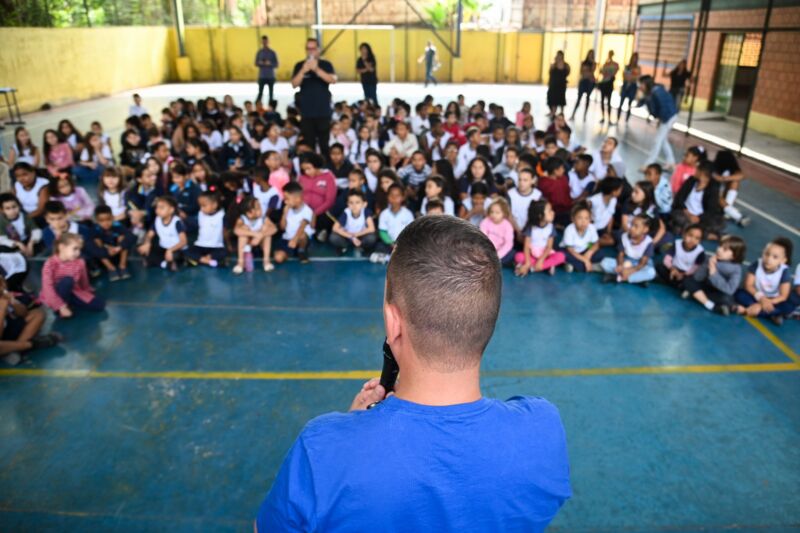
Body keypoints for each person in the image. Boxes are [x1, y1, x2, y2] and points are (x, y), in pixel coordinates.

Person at [256, 215, 570, 531]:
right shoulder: (544, 430)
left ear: (394, 324)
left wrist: (350, 430)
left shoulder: (322, 450)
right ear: (487, 320)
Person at [40, 232, 106, 319]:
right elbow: (48, 287)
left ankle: (69, 302)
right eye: (75, 249)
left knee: (100, 305)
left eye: (79, 249)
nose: (78, 253)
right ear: (62, 247)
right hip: (55, 293)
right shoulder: (50, 264)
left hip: (73, 291)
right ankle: (59, 309)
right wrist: (61, 307)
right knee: (67, 281)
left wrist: (87, 291)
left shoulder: (80, 262)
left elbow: (83, 280)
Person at [0, 273, 59, 367]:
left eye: (2, 284)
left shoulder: (4, 294)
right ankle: (31, 344)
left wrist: (13, 302)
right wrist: (2, 307)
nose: (2, 287)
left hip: (7, 331)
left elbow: (23, 313)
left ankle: (15, 350)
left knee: (38, 314)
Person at [291, 38, 337, 156]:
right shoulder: (299, 65)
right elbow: (294, 84)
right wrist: (303, 71)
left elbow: (332, 80)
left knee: (324, 145)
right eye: (308, 48)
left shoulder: (326, 65)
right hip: (306, 113)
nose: (311, 51)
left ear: (318, 50)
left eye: (313, 48)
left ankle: (325, 169)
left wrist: (316, 69)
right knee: (309, 145)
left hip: (323, 112)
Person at [734, 237, 794, 325]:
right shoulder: (757, 264)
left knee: (788, 306)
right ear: (762, 252)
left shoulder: (784, 271)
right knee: (739, 294)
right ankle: (770, 314)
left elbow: (783, 296)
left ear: (783, 260)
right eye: (766, 254)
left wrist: (763, 304)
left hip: (773, 300)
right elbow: (748, 285)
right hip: (756, 295)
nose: (769, 259)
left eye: (775, 257)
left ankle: (747, 310)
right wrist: (761, 299)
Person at [684, 235, 745, 316]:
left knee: (726, 299)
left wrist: (713, 272)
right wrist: (708, 263)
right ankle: (711, 306)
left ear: (734, 255)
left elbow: (730, 290)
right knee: (688, 281)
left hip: (718, 293)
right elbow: (698, 277)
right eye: (720, 246)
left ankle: (696, 296)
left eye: (725, 249)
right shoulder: (710, 258)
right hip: (705, 288)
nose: (719, 250)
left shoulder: (736, 269)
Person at [671, 161, 724, 239]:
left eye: (697, 169)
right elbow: (679, 198)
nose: (695, 170)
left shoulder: (712, 189)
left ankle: (687, 231)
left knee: (717, 222)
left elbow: (711, 210)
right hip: (684, 213)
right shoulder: (690, 181)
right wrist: (688, 213)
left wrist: (699, 218)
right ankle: (705, 235)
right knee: (677, 217)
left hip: (700, 218)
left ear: (702, 172)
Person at [600, 214, 656, 286]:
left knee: (651, 272)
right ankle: (638, 279)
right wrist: (620, 265)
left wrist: (630, 271)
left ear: (645, 229)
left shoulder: (648, 242)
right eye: (631, 225)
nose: (632, 228)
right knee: (605, 263)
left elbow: (642, 263)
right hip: (626, 262)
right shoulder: (624, 236)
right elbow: (620, 254)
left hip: (639, 266)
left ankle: (617, 278)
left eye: (636, 226)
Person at [637, 74, 678, 171]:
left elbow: (664, 107)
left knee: (658, 140)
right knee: (663, 140)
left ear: (646, 84)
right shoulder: (651, 92)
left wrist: (661, 119)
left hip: (669, 117)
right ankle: (671, 162)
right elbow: (645, 102)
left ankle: (649, 164)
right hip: (666, 117)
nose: (640, 87)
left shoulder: (657, 92)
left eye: (641, 84)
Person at [515, 200, 565, 276]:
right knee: (518, 256)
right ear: (540, 215)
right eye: (549, 211)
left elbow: (549, 247)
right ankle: (545, 266)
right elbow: (526, 247)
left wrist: (541, 260)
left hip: (545, 255)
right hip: (532, 255)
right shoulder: (531, 228)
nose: (553, 212)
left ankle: (532, 268)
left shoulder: (551, 227)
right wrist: (528, 262)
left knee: (561, 256)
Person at [137, 196, 188, 271]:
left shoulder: (176, 222)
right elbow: (149, 235)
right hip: (163, 248)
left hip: (176, 248)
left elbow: (183, 241)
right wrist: (147, 243)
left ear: (171, 210)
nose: (158, 210)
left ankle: (164, 262)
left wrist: (170, 250)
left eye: (162, 208)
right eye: (157, 207)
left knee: (175, 256)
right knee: (142, 248)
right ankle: (165, 264)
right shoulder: (157, 220)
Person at [233, 196, 277, 273]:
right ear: (249, 213)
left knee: (267, 231)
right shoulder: (242, 219)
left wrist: (261, 235)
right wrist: (254, 234)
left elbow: (274, 229)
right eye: (258, 208)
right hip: (247, 242)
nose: (261, 209)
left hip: (260, 243)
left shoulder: (263, 218)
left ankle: (266, 262)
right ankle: (240, 263)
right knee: (243, 231)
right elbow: (236, 230)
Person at [371, 183, 413, 263]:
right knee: (379, 247)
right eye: (392, 196)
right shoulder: (384, 214)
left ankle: (390, 258)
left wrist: (400, 244)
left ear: (403, 197)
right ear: (388, 197)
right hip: (389, 244)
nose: (394, 198)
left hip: (402, 244)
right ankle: (392, 258)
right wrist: (391, 243)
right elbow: (382, 232)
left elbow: (410, 232)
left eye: (397, 196)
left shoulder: (408, 214)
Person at [91, 205, 135, 281]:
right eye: (101, 221)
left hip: (118, 251)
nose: (106, 223)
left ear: (112, 217)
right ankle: (111, 268)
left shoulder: (117, 225)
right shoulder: (95, 229)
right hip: (105, 254)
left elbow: (131, 236)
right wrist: (106, 248)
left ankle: (122, 265)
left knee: (123, 237)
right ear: (97, 221)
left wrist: (120, 247)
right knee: (96, 241)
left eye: (108, 219)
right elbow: (93, 247)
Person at [186, 192, 228, 270]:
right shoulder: (200, 214)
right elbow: (196, 225)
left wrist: (228, 244)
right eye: (200, 206)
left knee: (224, 252)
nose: (201, 208)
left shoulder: (221, 215)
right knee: (187, 251)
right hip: (200, 245)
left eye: (204, 206)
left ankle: (201, 260)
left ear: (214, 205)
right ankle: (208, 261)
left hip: (216, 246)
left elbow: (225, 231)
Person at [656, 224, 704, 290]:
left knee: (690, 281)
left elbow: (695, 268)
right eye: (690, 235)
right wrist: (672, 269)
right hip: (673, 269)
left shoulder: (700, 252)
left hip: (686, 274)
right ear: (684, 235)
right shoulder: (677, 244)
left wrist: (683, 274)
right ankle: (677, 285)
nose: (692, 240)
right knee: (660, 267)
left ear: (700, 241)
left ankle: (672, 283)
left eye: (697, 238)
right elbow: (667, 260)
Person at [329, 188, 377, 256]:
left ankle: (361, 246)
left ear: (364, 204)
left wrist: (356, 235)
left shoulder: (366, 212)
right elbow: (335, 228)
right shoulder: (346, 212)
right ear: (347, 204)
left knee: (371, 237)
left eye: (357, 202)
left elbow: (372, 228)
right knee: (333, 237)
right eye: (351, 203)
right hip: (348, 237)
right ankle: (344, 246)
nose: (354, 205)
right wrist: (351, 237)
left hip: (361, 236)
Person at [561, 202, 601, 273]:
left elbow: (595, 243)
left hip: (584, 250)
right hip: (570, 251)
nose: (583, 221)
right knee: (563, 255)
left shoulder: (591, 228)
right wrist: (585, 259)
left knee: (601, 254)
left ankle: (576, 265)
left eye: (586, 218)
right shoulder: (569, 229)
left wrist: (589, 252)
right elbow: (570, 250)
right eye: (580, 218)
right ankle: (589, 266)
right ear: (573, 219)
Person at [480, 198, 515, 267]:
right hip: (487, 249)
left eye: (497, 213)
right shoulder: (485, 221)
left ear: (504, 214)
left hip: (500, 251)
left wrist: (498, 255)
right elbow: (482, 238)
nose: (493, 215)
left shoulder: (507, 226)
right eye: (492, 212)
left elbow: (508, 244)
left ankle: (490, 263)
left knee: (512, 253)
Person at [571, 50, 597, 121]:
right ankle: (573, 114)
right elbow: (581, 72)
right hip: (583, 81)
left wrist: (588, 69)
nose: (590, 56)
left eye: (592, 54)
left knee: (587, 98)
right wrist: (586, 72)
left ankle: (584, 116)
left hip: (590, 82)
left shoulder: (594, 63)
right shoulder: (583, 62)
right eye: (590, 54)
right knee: (579, 98)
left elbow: (592, 71)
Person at [255, 35, 279, 105]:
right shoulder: (259, 52)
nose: (265, 43)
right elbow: (255, 63)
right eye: (263, 42)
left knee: (271, 94)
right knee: (260, 93)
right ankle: (257, 106)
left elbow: (277, 64)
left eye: (266, 42)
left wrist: (270, 63)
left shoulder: (272, 52)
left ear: (268, 42)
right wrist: (261, 63)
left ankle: (271, 108)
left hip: (271, 76)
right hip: (262, 76)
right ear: (262, 42)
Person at [617, 53, 641, 123]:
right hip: (625, 86)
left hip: (632, 87)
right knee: (621, 103)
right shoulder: (627, 66)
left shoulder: (638, 68)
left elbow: (637, 78)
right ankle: (618, 118)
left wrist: (630, 77)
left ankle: (626, 120)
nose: (634, 59)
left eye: (636, 58)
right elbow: (624, 76)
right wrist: (631, 77)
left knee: (629, 104)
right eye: (633, 57)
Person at [597, 51, 619, 125]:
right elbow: (601, 72)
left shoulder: (614, 64)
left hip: (609, 84)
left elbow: (614, 72)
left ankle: (609, 118)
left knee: (608, 102)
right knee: (603, 101)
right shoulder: (606, 64)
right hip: (604, 84)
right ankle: (603, 117)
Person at [547, 51, 570, 117]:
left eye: (560, 55)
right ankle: (553, 112)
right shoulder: (553, 65)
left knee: (561, 98)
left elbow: (567, 72)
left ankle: (562, 112)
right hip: (553, 84)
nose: (558, 56)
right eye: (558, 55)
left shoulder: (566, 65)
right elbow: (550, 74)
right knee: (553, 98)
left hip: (562, 85)